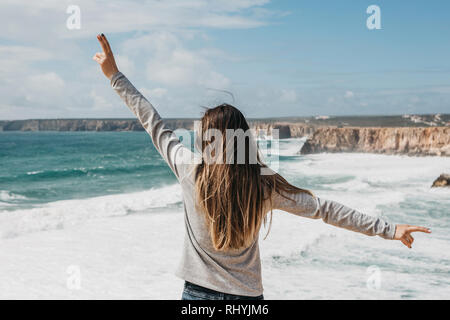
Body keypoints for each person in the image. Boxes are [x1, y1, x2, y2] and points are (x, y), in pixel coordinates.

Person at [93, 34, 432, 300]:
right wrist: (389, 229)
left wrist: (114, 76)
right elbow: (324, 210)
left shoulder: (189, 169)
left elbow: (153, 122)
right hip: (248, 299)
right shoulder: (263, 185)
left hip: (196, 294)